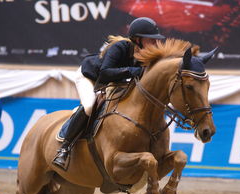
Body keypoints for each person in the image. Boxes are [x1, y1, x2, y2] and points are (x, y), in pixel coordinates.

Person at [53, 17, 165, 168]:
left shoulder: (145, 54)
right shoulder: (120, 47)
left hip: (112, 82)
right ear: (137, 39)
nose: (154, 42)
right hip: (90, 77)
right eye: (150, 39)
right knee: (89, 106)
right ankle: (64, 149)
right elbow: (105, 73)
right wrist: (134, 70)